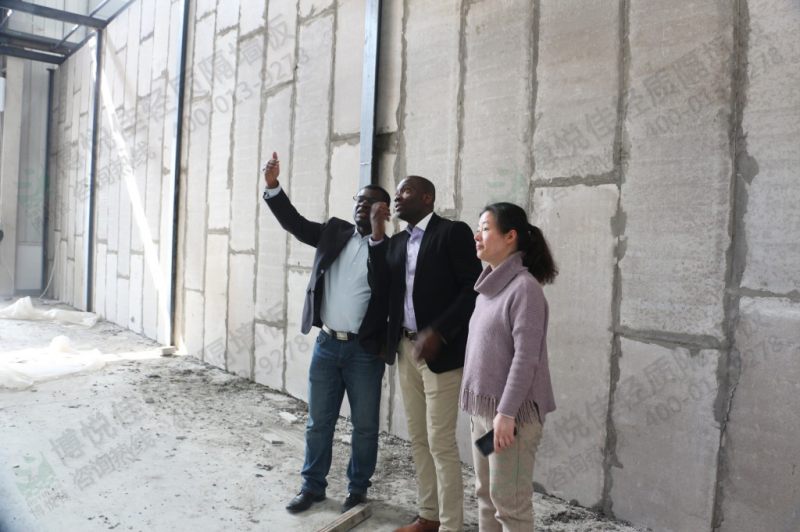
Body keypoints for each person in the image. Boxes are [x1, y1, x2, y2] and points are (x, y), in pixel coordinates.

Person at [261, 152, 390, 514]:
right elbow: (295, 224)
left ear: (384, 210)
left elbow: (386, 284)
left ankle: (357, 489)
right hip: (327, 345)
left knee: (364, 427)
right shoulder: (334, 231)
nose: (362, 205)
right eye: (359, 200)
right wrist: (273, 186)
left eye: (371, 201)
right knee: (319, 423)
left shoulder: (390, 249)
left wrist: (378, 236)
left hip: (365, 352)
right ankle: (312, 487)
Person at [369, 176, 482, 532]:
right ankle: (428, 517)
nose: (397, 196)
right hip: (407, 350)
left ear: (427, 197)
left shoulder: (452, 233)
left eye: (406, 191)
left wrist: (440, 332)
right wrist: (377, 235)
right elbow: (379, 286)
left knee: (440, 442)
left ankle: (450, 525)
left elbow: (472, 288)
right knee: (418, 438)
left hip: (441, 353)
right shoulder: (397, 242)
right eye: (397, 191)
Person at [460, 202, 557, 532]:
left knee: (510, 505)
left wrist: (506, 413)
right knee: (486, 495)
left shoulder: (524, 289)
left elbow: (526, 358)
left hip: (510, 419)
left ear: (510, 236)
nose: (477, 236)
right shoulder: (487, 290)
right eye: (478, 229)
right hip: (484, 414)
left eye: (485, 228)